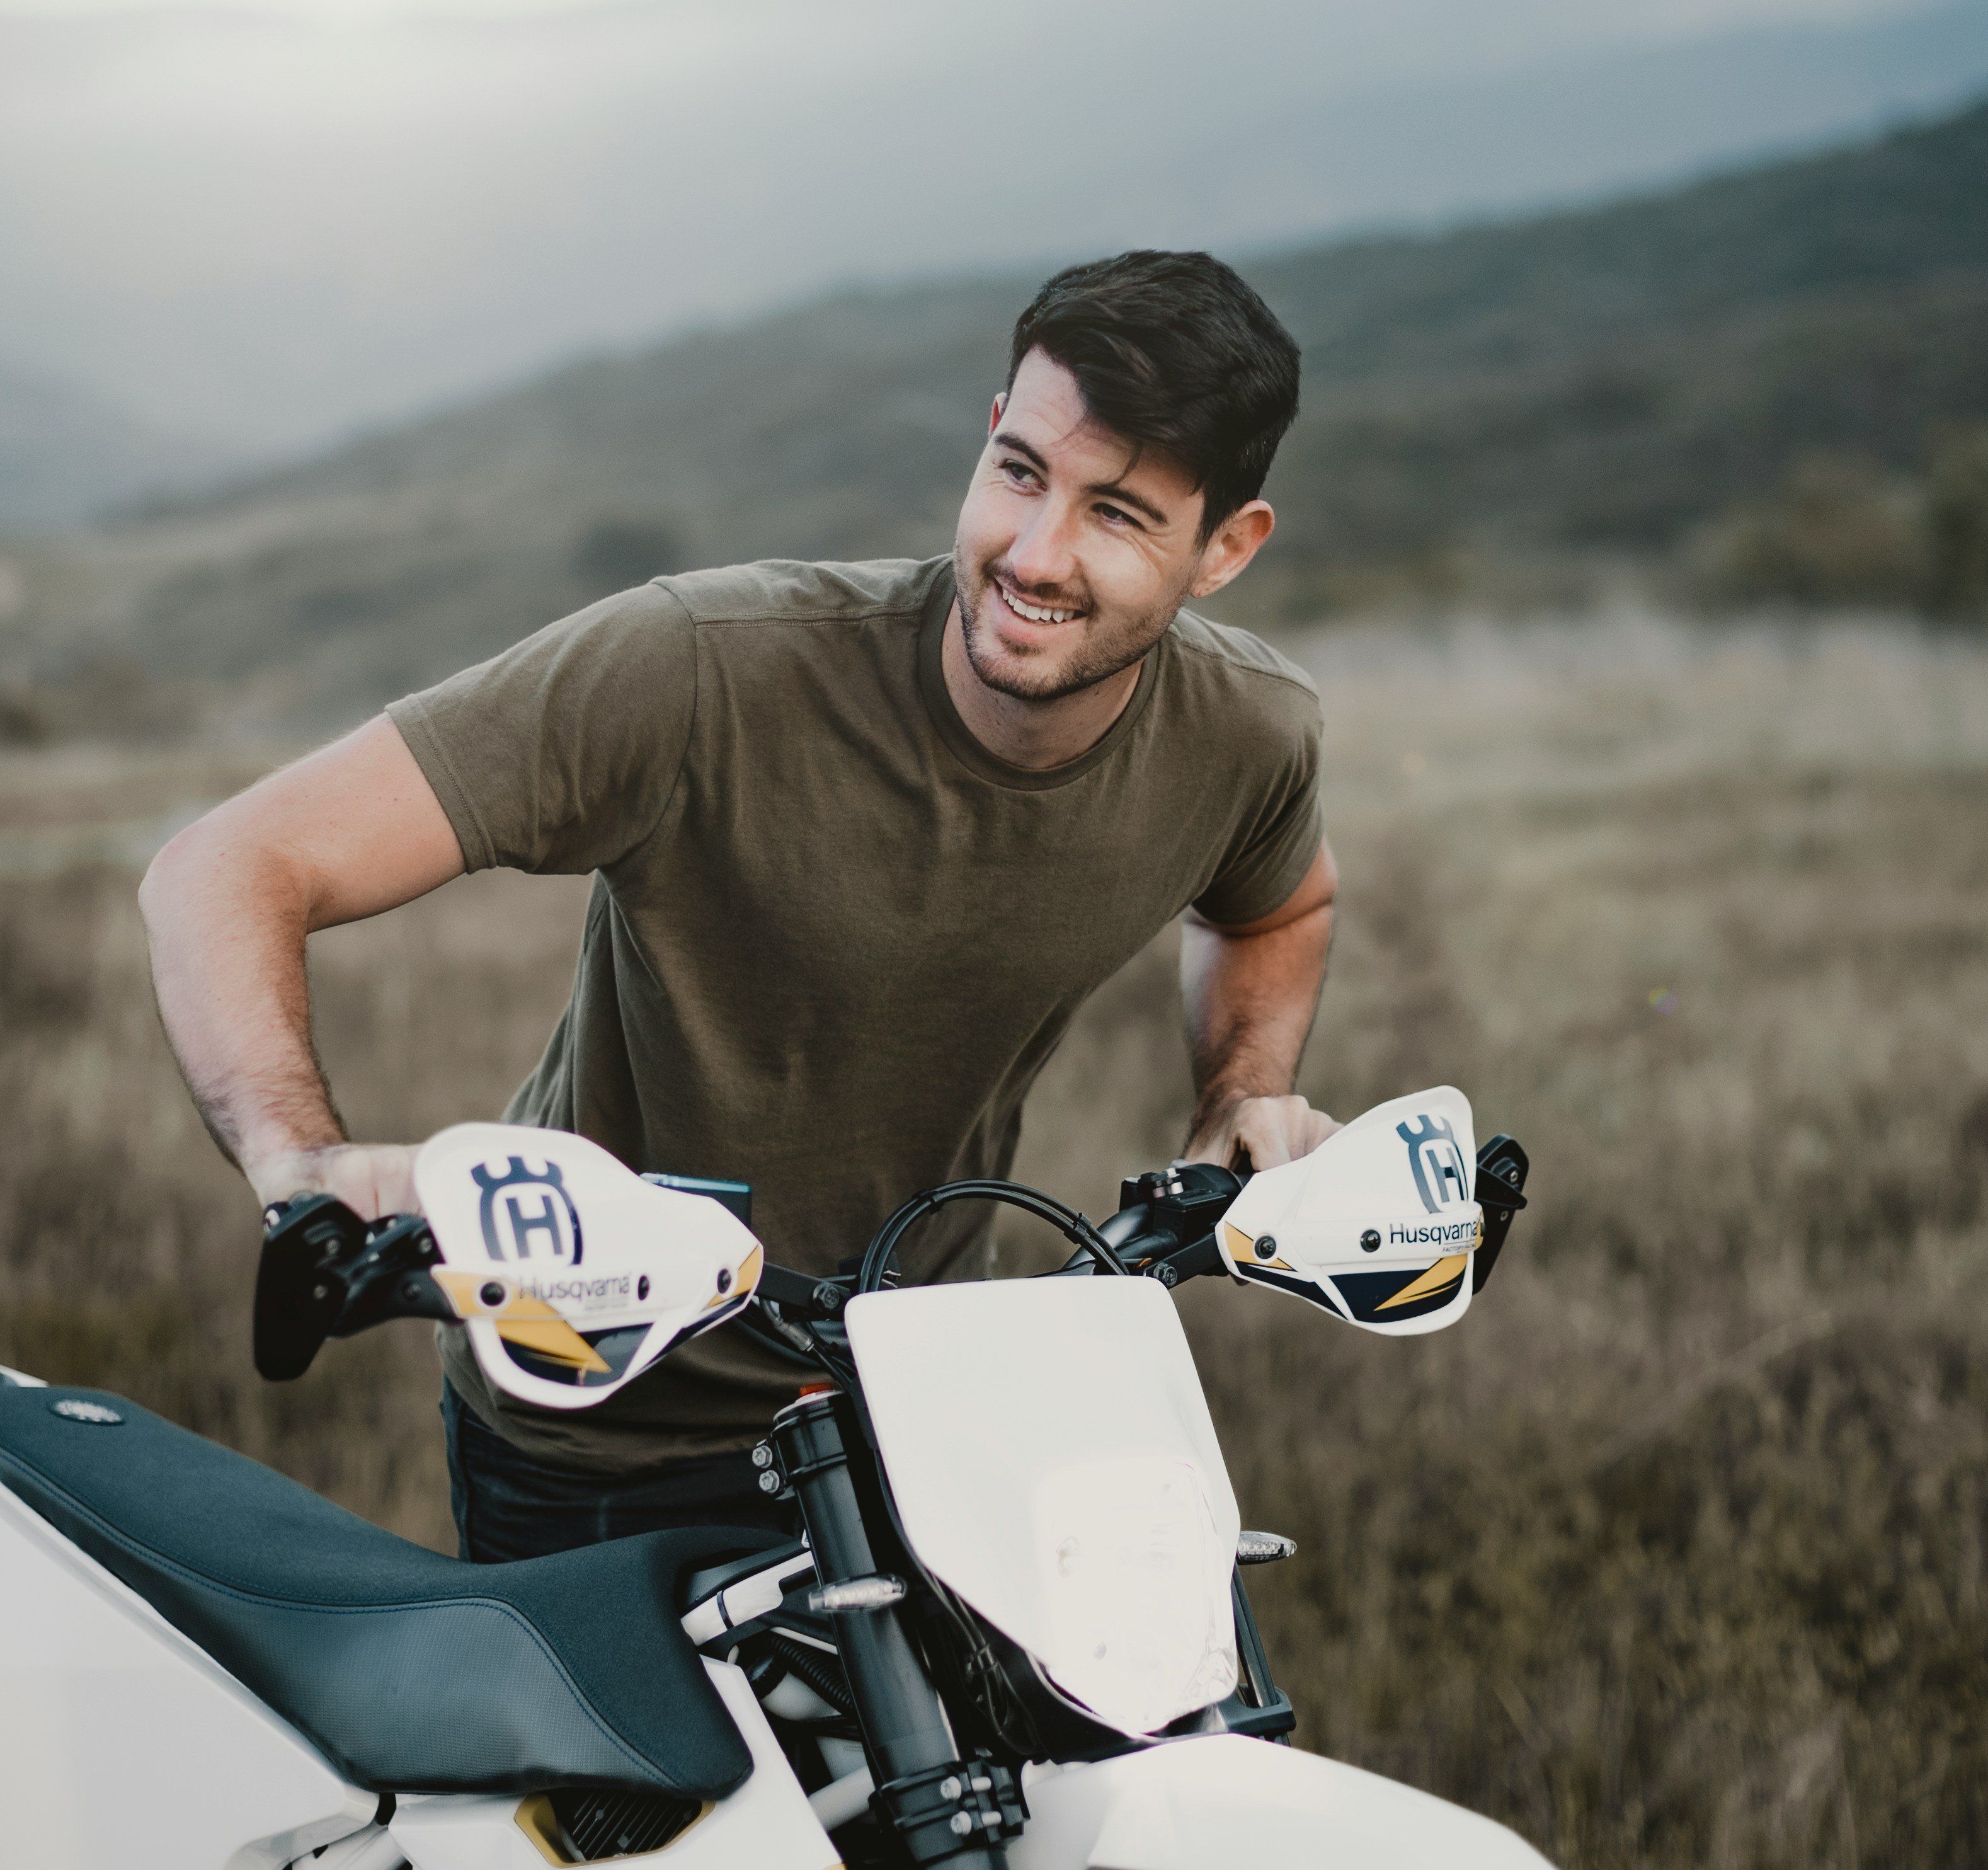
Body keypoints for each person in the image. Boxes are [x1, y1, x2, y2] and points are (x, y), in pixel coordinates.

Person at [139, 250, 1342, 1562]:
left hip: (919, 1391)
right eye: (1019, 472)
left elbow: (1272, 907)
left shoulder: (1245, 735)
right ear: (987, 433)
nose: (1034, 553)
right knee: (634, 1779)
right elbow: (225, 865)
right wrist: (300, 1169)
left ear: (1226, 546)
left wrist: (1237, 1088)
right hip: (593, 1412)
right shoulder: (703, 671)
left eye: (1115, 513)